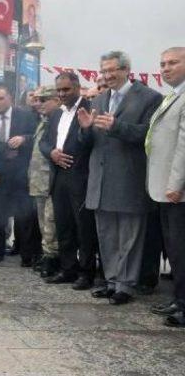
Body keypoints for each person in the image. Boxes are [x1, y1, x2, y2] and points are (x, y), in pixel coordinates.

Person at [76, 51, 161, 304]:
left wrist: (117, 127)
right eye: (104, 71)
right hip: (100, 181)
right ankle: (112, 280)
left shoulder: (149, 98)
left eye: (112, 70)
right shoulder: (100, 99)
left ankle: (126, 285)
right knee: (107, 235)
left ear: (126, 70)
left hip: (128, 180)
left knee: (130, 237)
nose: (108, 75)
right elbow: (88, 143)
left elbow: (149, 135)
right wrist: (85, 129)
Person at [40, 72, 97, 290]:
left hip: (80, 177)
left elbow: (91, 143)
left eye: (66, 89)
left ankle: (86, 273)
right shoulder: (56, 114)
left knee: (83, 229)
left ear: (77, 87)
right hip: (59, 177)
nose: (62, 94)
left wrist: (85, 128)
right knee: (63, 225)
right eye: (59, 90)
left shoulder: (90, 108)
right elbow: (43, 143)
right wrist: (52, 153)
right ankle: (68, 269)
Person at [146, 47, 185, 326]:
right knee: (174, 250)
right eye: (162, 63)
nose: (165, 68)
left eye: (173, 62)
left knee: (181, 249)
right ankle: (179, 299)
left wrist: (176, 183)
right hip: (164, 187)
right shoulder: (173, 96)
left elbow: (184, 146)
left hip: (177, 190)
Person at [0, 85, 38, 264]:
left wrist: (24, 139)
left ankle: (26, 255)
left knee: (23, 216)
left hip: (21, 174)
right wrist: (6, 147)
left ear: (9, 98)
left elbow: (37, 136)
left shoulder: (25, 116)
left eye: (1, 98)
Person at [28, 87, 61, 278]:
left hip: (50, 180)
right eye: (37, 99)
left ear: (56, 100)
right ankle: (47, 254)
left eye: (44, 99)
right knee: (43, 222)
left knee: (51, 222)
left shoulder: (59, 120)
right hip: (38, 181)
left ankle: (53, 258)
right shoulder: (44, 121)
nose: (38, 103)